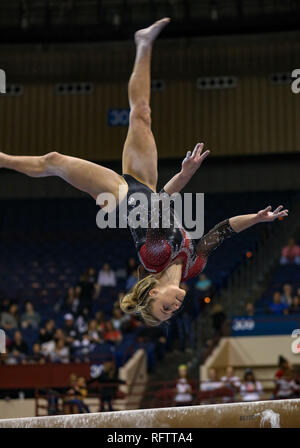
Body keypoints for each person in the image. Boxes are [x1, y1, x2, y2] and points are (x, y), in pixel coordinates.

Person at [0, 18, 289, 327]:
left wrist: (186, 173)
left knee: (54, 160)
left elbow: (162, 203)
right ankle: (144, 43)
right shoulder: (193, 266)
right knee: (141, 113)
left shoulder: (155, 257)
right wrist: (258, 219)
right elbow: (222, 231)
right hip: (145, 187)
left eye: (165, 310)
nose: (174, 308)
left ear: (153, 295)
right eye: (172, 313)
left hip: (121, 195)